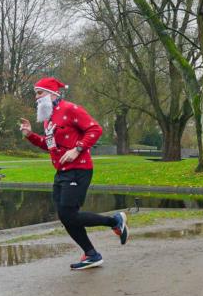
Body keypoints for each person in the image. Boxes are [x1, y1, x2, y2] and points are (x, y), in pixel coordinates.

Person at [20, 77, 128, 270]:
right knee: (65, 215)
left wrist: (77, 149)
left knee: (69, 214)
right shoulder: (48, 119)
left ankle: (115, 221)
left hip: (79, 169)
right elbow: (49, 145)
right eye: (35, 94)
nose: (36, 98)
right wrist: (30, 135)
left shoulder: (70, 109)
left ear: (53, 93)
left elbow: (95, 129)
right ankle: (92, 254)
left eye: (39, 93)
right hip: (61, 172)